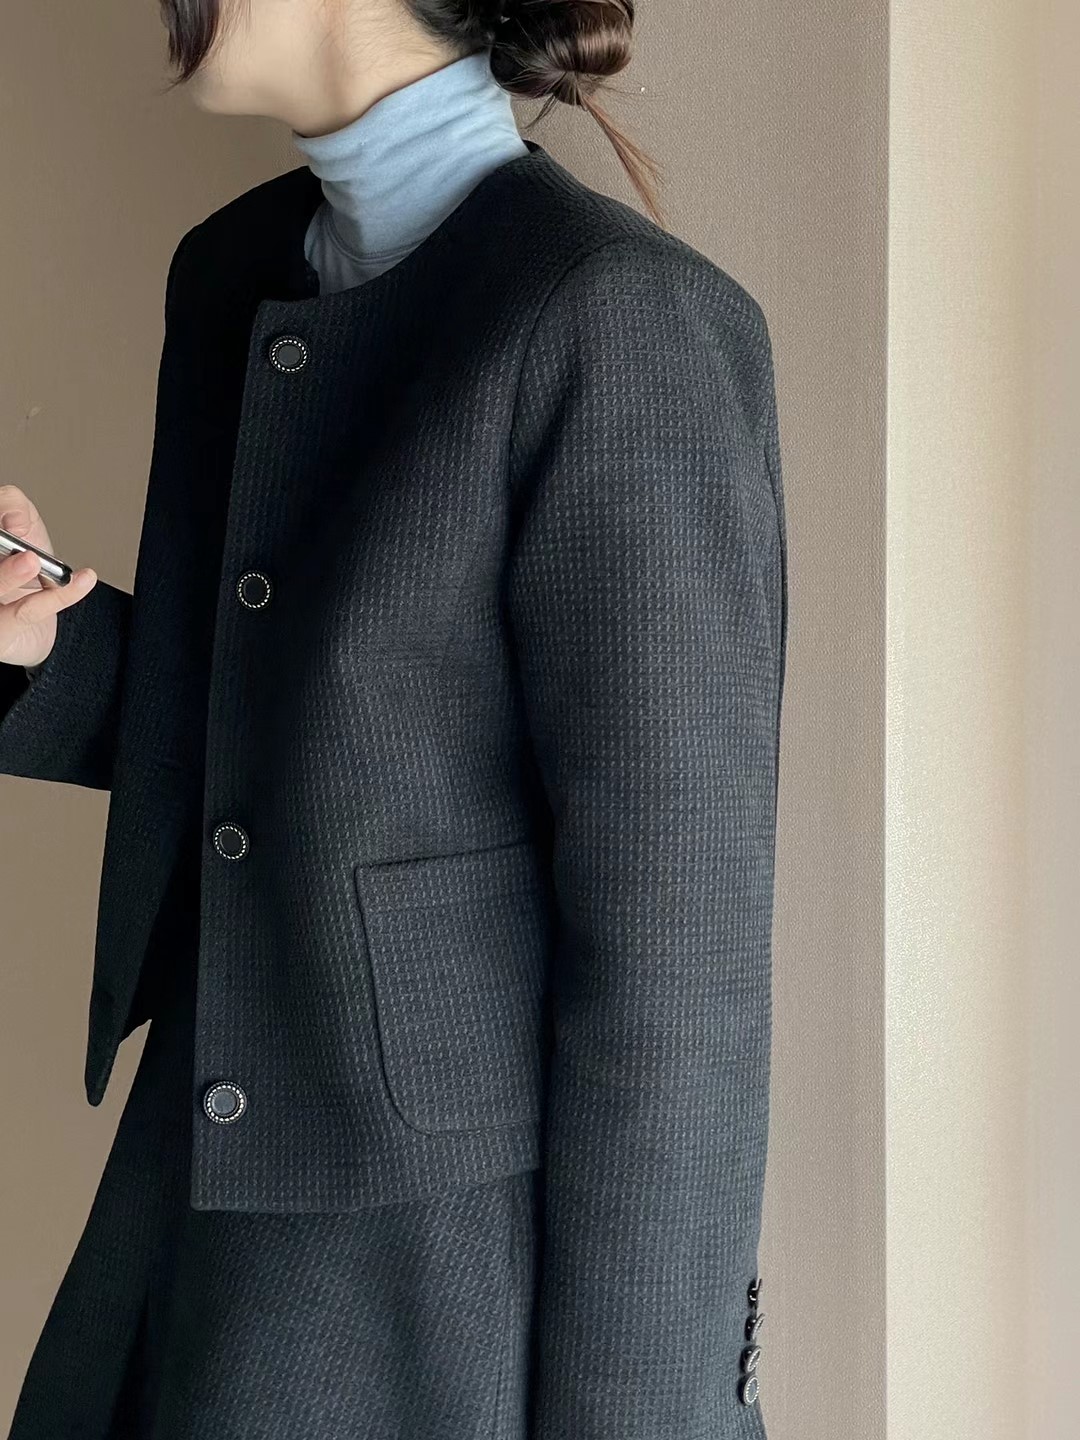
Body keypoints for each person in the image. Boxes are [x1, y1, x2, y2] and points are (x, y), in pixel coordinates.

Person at [0, 1, 788, 1436]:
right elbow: (281, 738)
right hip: (193, 1234)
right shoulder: (233, 273)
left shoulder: (623, 321)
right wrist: (43, 643)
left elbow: (674, 976)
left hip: (425, 1313)